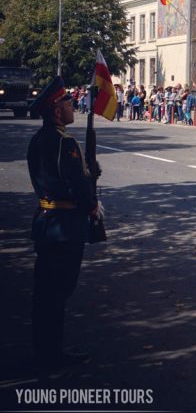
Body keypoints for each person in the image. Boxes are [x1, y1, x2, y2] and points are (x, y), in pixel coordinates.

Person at [26, 77, 104, 369]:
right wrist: (92, 204)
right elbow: (75, 184)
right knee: (57, 292)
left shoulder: (38, 140)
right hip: (65, 225)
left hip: (47, 221)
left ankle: (44, 349)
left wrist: (88, 171)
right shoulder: (64, 142)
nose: (73, 106)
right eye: (67, 102)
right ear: (56, 110)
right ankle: (51, 355)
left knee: (46, 292)